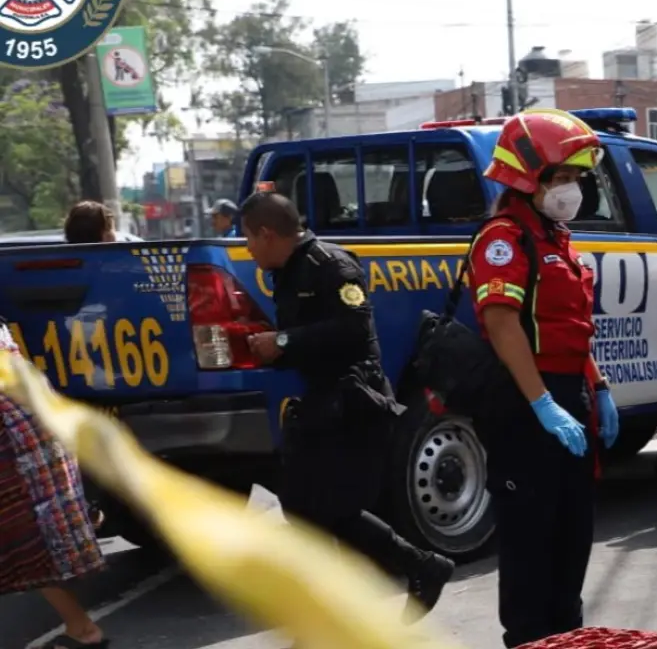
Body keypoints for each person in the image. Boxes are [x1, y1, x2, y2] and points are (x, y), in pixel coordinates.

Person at [240, 192, 454, 620]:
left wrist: (283, 342)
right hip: (322, 401)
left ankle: (422, 567)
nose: (245, 247)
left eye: (247, 237)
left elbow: (354, 329)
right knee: (302, 507)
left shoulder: (332, 266)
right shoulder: (286, 271)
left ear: (266, 234)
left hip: (354, 404)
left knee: (334, 510)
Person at [465, 109, 620, 648]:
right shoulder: (504, 239)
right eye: (562, 178)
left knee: (571, 535)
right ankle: (531, 641)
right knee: (530, 542)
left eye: (577, 178)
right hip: (525, 400)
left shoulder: (557, 238)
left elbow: (570, 329)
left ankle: (567, 639)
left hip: (567, 392)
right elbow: (502, 325)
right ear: (528, 177)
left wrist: (597, 388)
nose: (572, 188)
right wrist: (541, 404)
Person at [1, 321, 109, 648]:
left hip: (15, 435)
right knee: (32, 536)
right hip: (30, 417)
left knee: (30, 537)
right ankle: (81, 628)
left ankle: (83, 630)